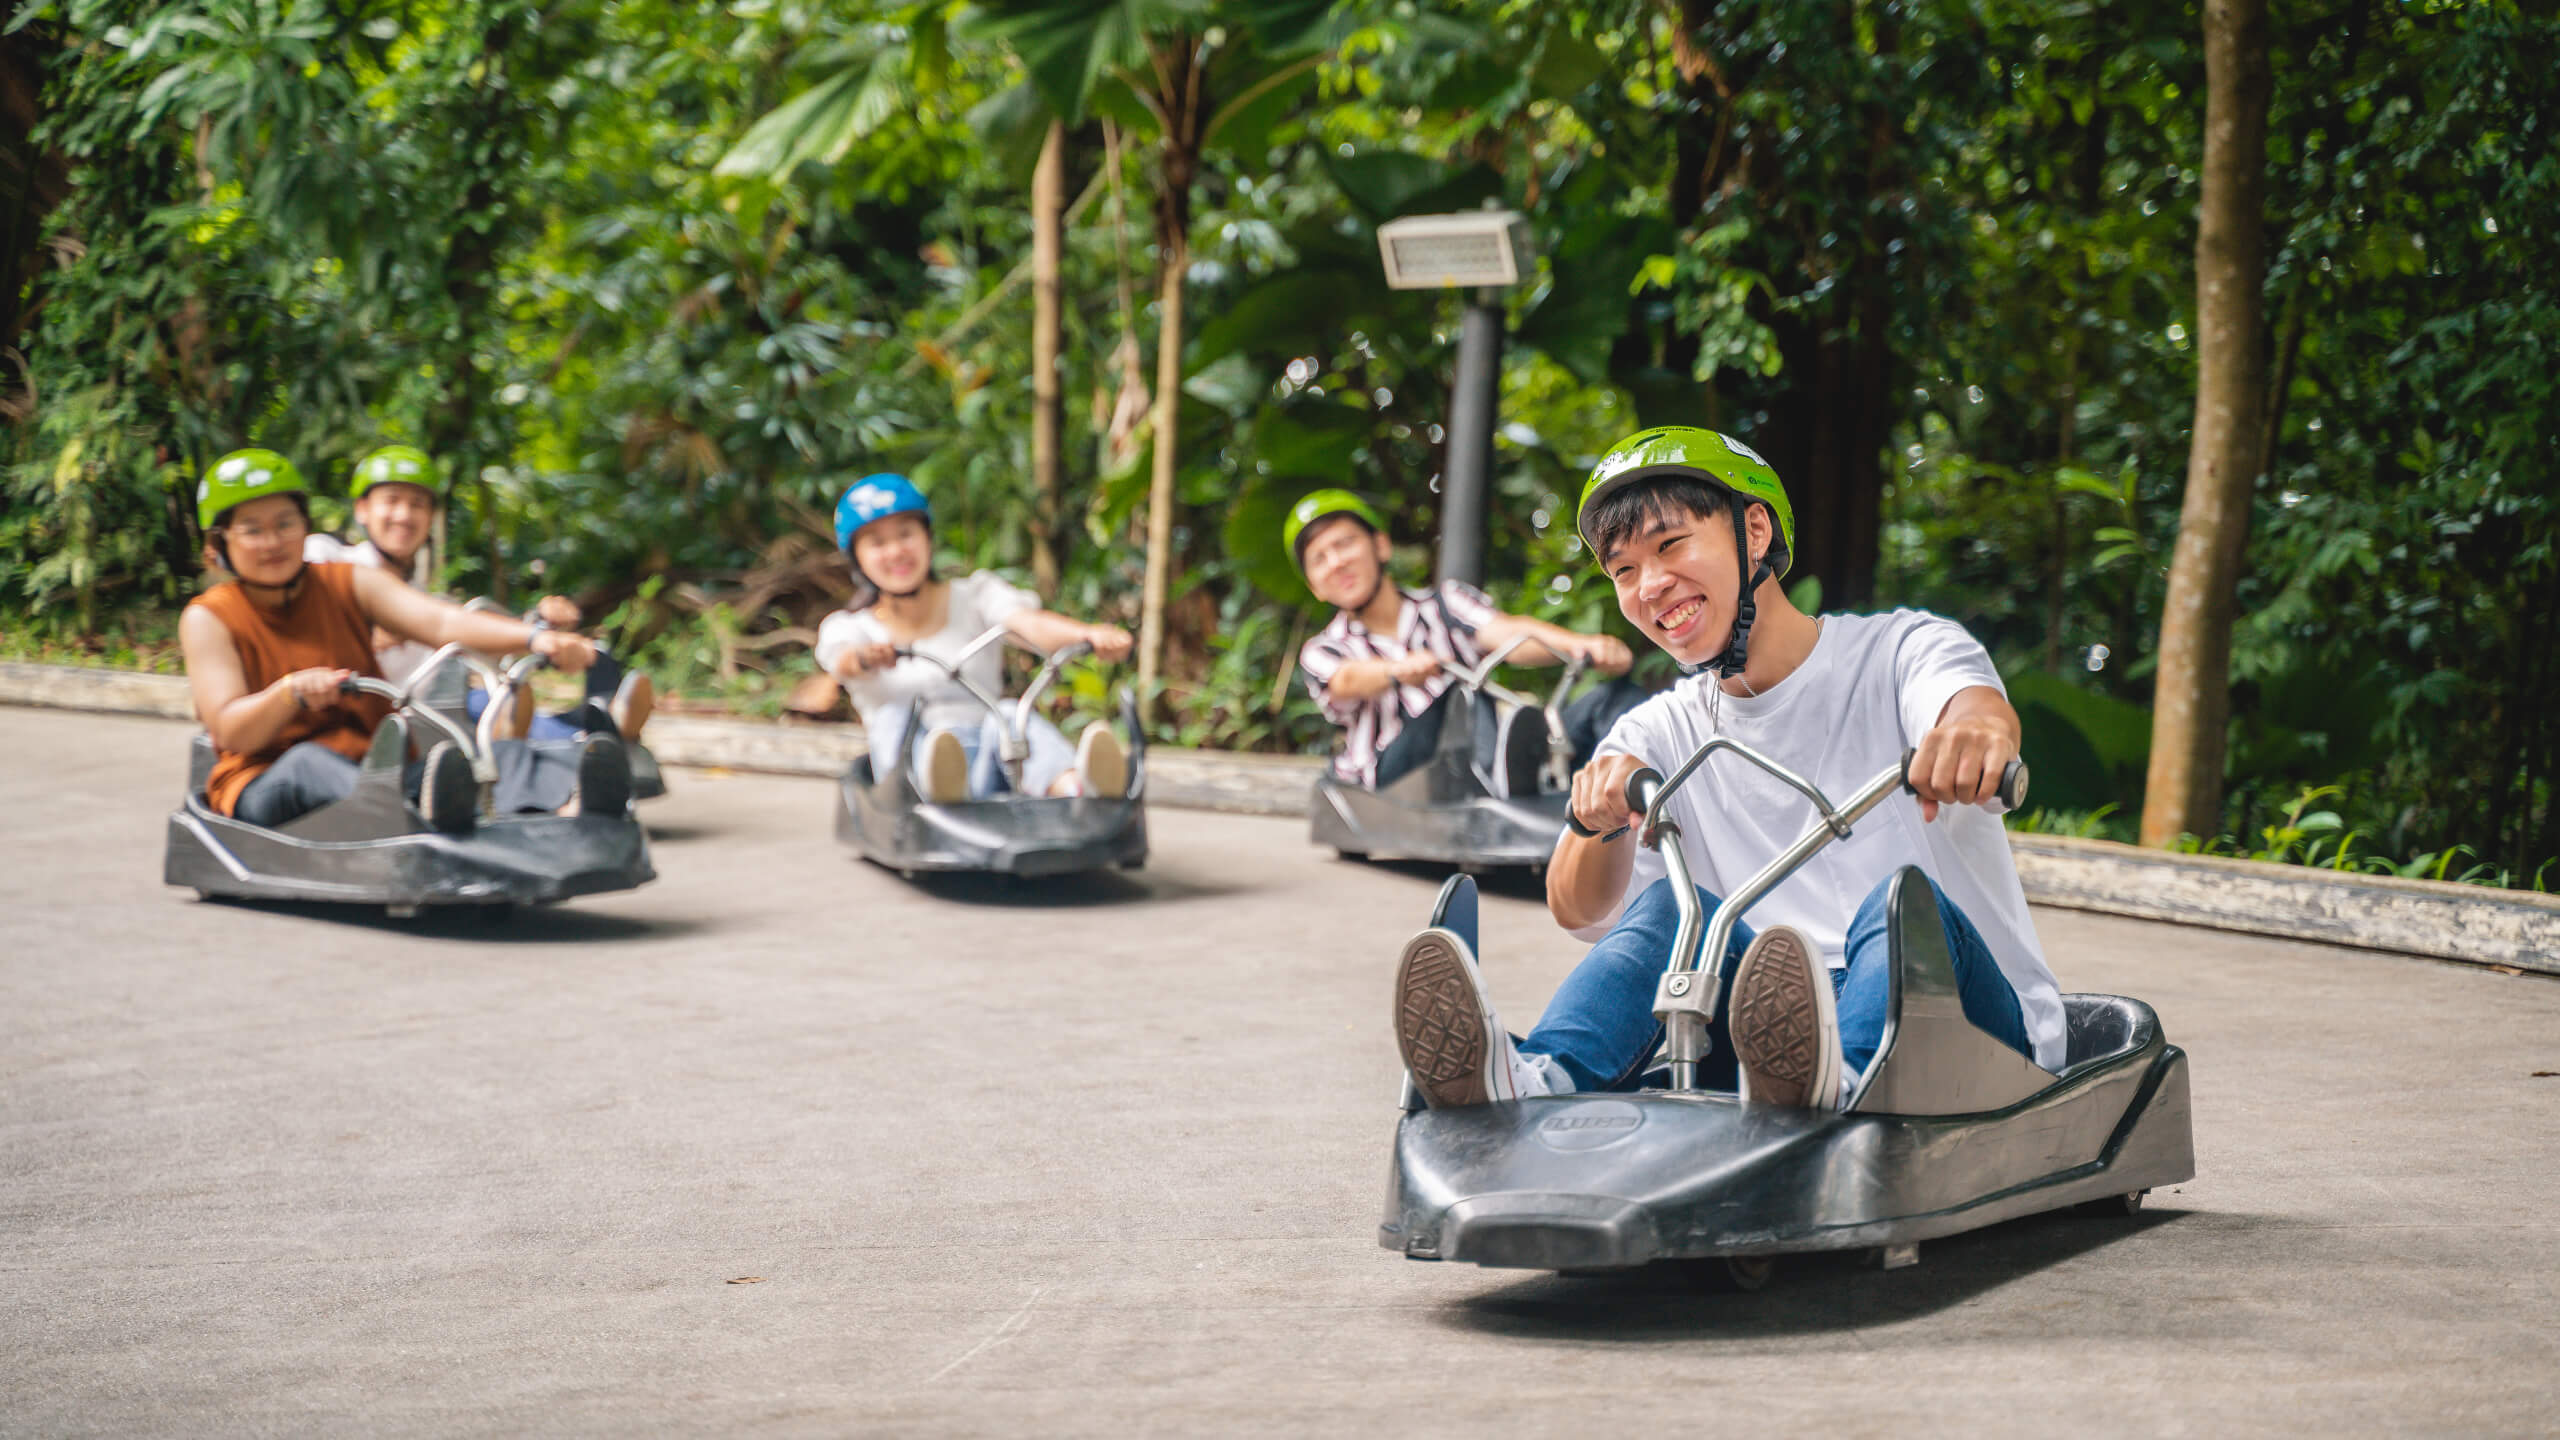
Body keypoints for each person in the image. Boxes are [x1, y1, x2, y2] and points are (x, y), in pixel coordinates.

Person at [1390, 427, 2066, 1112]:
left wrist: (1974, 733)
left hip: (1974, 1031)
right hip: (1771, 1036)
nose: (1650, 586)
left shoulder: (1899, 650)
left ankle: (1850, 1082)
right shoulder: (1656, 730)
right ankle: (1535, 1078)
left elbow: (1968, 702)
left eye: (1670, 545)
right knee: (1668, 913)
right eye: (1623, 570)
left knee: (1897, 905)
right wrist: (1595, 819)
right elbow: (1576, 908)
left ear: (1754, 531)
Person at [180, 449, 629, 831]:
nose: (273, 541)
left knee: (504, 753)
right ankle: (439, 818)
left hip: (376, 768)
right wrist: (289, 693)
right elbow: (229, 728)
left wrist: (536, 638)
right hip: (263, 780)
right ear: (218, 545)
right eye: (252, 530)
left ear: (304, 526)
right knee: (308, 763)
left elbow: (440, 622)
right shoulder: (209, 617)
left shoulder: (348, 582)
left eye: (285, 524)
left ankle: (573, 804)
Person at [1286, 489, 1643, 796]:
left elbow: (1508, 634)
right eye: (1319, 559)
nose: (1337, 563)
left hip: (1486, 747)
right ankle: (1504, 785)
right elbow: (1345, 681)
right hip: (1395, 776)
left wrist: (1585, 647)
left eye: (1344, 543)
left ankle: (1645, 793)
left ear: (1380, 546)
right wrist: (1398, 671)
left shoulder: (1446, 603)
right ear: (1315, 586)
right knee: (1463, 699)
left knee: (1612, 699)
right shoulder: (1323, 650)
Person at [304, 444, 654, 744]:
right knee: (475, 712)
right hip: (368, 720)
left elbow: (461, 628)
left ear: (431, 518)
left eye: (417, 505)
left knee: (496, 705)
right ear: (362, 509)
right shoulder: (329, 559)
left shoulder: (426, 598)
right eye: (391, 501)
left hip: (427, 710)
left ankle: (602, 726)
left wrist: (539, 627)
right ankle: (537, 735)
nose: (404, 515)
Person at [815, 474, 1134, 802]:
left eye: (905, 534)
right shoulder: (850, 628)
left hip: (988, 766)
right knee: (892, 716)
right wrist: (866, 658)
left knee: (1010, 713)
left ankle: (1079, 789)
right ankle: (935, 791)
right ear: (857, 558)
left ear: (927, 537)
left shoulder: (977, 596)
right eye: (878, 543)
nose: (896, 551)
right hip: (907, 778)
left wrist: (1089, 634)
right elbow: (843, 662)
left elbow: (1029, 625)